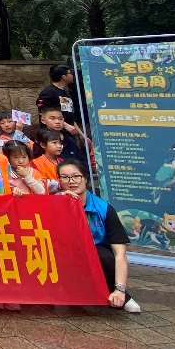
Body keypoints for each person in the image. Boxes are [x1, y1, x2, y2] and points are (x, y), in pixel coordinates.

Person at [58, 159, 141, 313]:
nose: (71, 181)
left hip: (94, 253)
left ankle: (120, 296)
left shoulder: (104, 209)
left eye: (76, 176)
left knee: (105, 256)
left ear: (85, 178)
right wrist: (62, 204)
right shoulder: (54, 204)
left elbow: (120, 252)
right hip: (65, 253)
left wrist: (120, 289)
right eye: (65, 177)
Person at [37, 64, 82, 129]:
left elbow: (70, 115)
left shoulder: (66, 93)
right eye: (70, 73)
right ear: (63, 77)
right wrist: (65, 125)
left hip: (69, 131)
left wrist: (80, 133)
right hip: (54, 132)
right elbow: (44, 113)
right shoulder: (48, 93)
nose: (72, 75)